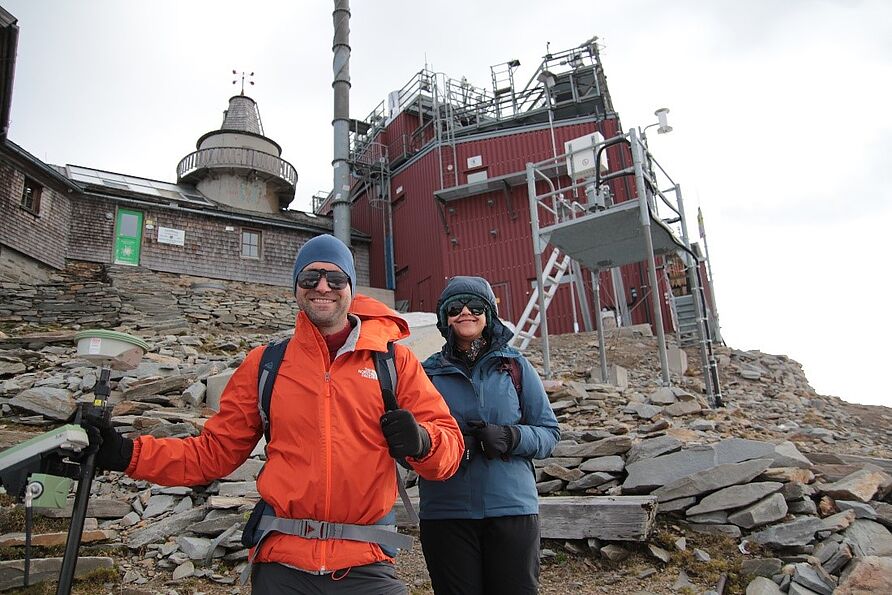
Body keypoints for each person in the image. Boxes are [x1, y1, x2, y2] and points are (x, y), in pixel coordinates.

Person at [87, 234, 464, 594]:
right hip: (283, 563)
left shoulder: (393, 362)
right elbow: (213, 453)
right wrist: (126, 454)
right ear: (295, 286)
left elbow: (449, 449)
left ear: (351, 287)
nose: (322, 286)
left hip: (365, 561)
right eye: (309, 277)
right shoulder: (266, 363)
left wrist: (423, 441)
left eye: (335, 277)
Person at [418, 276, 560, 595]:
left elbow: (549, 434)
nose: (466, 312)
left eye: (476, 305)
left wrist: (510, 437)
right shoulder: (425, 375)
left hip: (512, 510)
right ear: (445, 316)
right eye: (455, 307)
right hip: (446, 513)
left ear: (489, 314)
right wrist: (444, 447)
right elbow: (412, 443)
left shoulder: (516, 367)